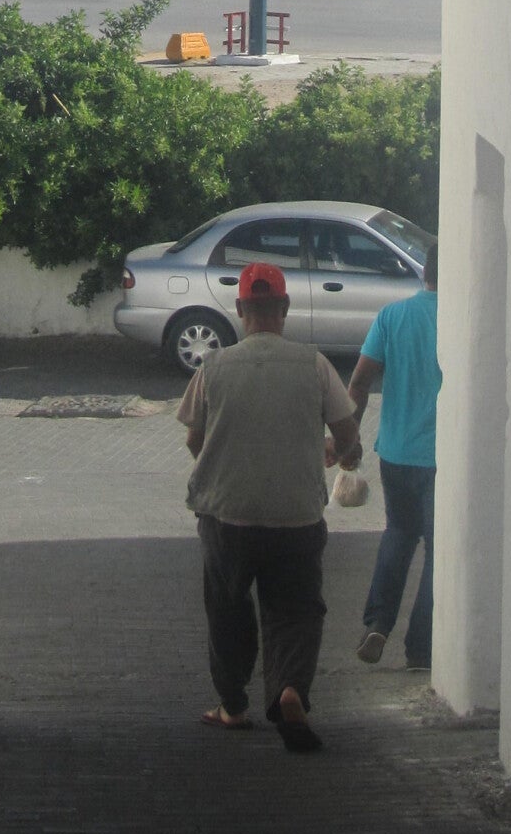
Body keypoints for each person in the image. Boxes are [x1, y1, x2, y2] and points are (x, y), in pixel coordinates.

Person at [176, 261, 363, 753]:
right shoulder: (314, 364)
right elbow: (347, 433)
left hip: (227, 517)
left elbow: (194, 439)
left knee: (227, 610)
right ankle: (289, 688)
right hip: (296, 517)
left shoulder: (213, 367)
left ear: (240, 309)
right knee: (296, 610)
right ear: (284, 307)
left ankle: (232, 705)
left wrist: (222, 465)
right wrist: (339, 452)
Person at [349, 239, 442, 670]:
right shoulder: (460, 319)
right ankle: (421, 648)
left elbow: (359, 381)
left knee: (399, 534)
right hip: (439, 460)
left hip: (395, 454)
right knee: (439, 552)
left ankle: (377, 623)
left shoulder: (392, 316)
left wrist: (349, 439)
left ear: (425, 271)